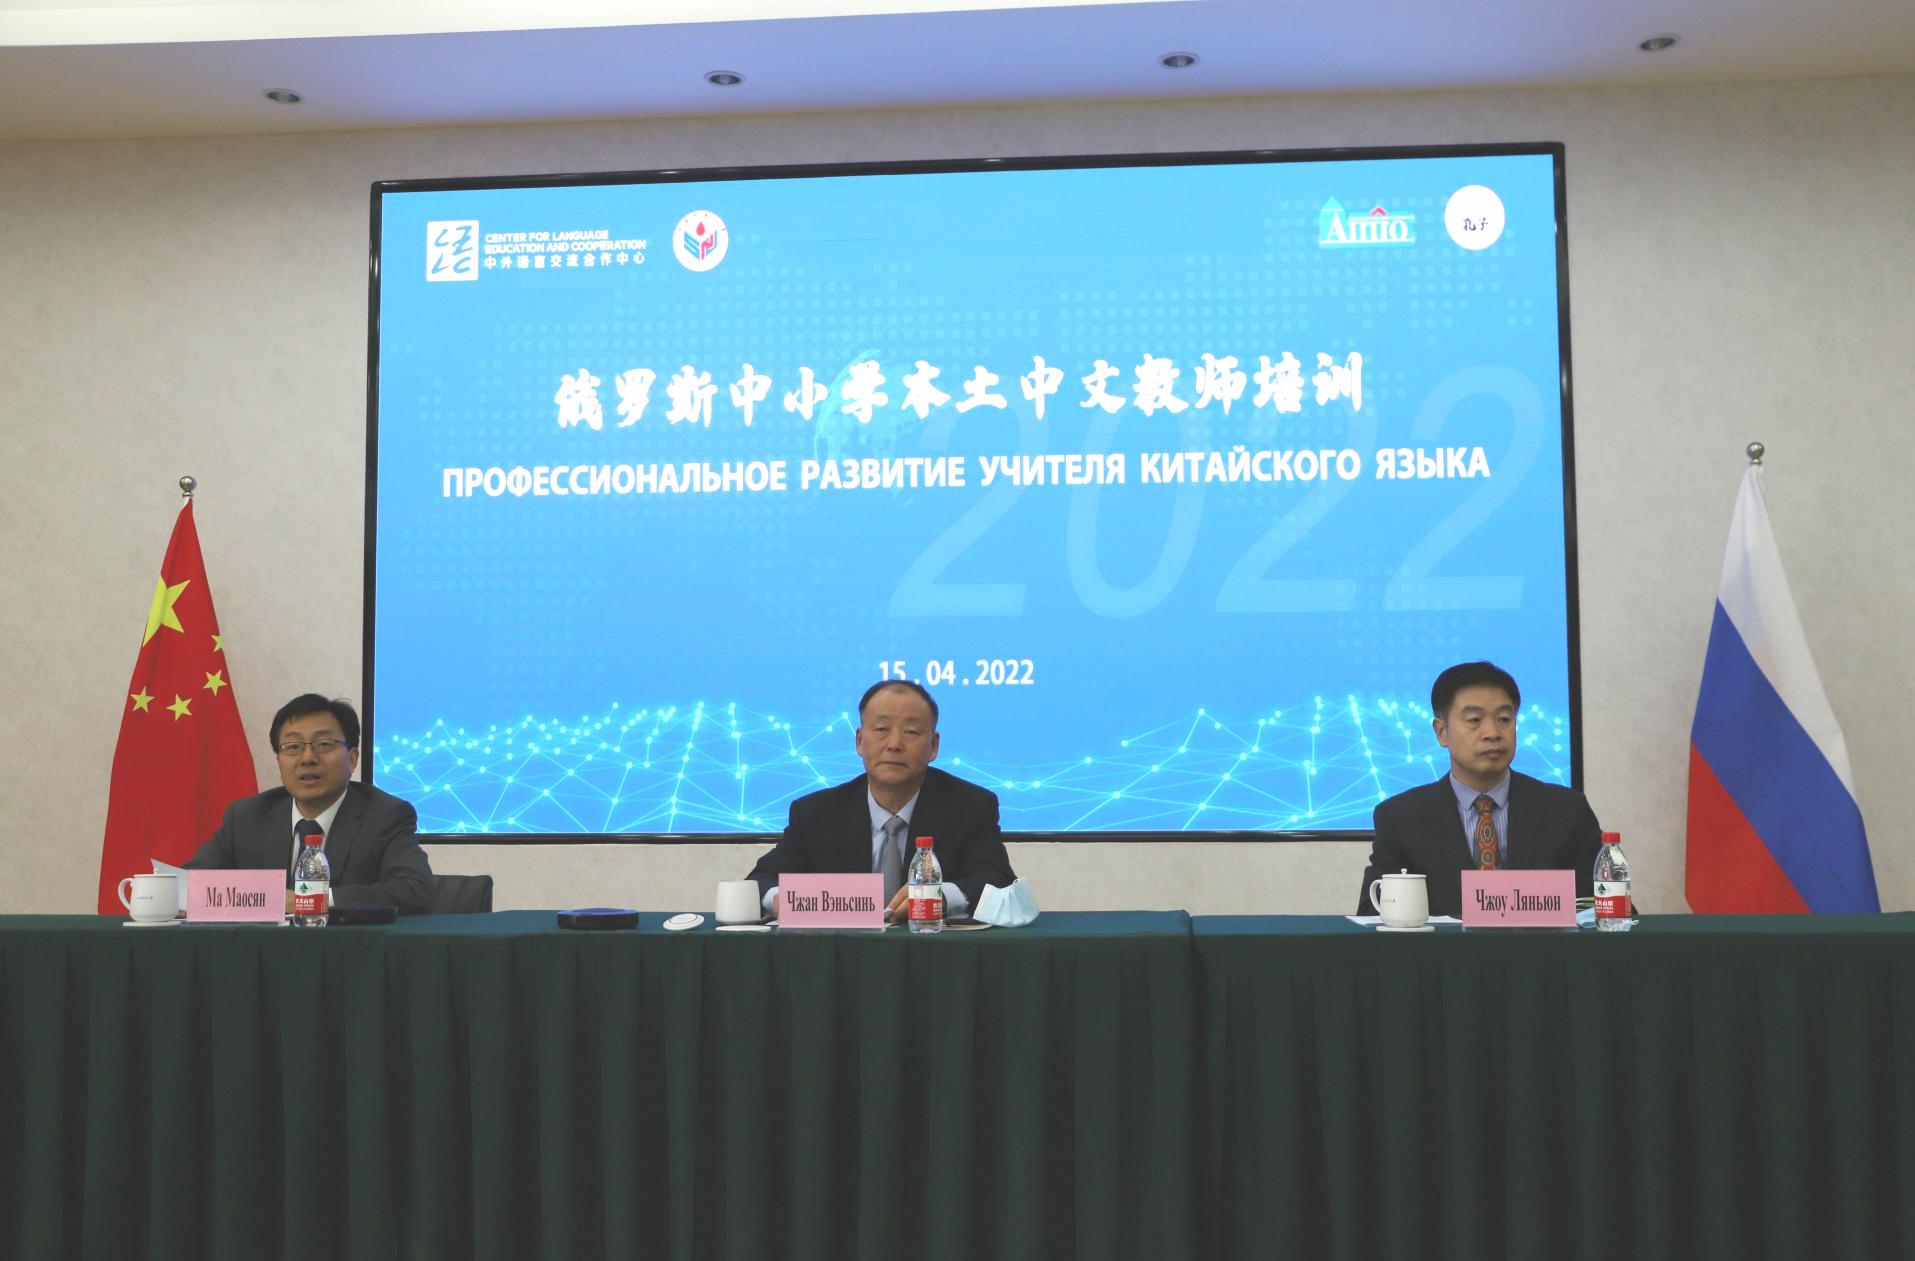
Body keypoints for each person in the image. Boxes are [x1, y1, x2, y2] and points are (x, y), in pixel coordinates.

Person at [748, 679, 1016, 921]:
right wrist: (780, 899)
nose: (894, 744)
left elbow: (998, 882)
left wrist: (939, 897)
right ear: (859, 741)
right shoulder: (816, 813)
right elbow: (760, 881)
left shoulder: (970, 806)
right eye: (881, 729)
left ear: (933, 746)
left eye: (911, 731)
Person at [1357, 661, 1602, 918]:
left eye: (1504, 719)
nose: (1492, 733)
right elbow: (1372, 914)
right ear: (1441, 732)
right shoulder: (1401, 818)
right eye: (1474, 720)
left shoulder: (1566, 811)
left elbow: (1608, 908)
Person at [187, 694, 434, 914]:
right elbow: (189, 884)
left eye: (324, 744)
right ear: (279, 760)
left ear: (352, 759)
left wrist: (310, 901)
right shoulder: (247, 816)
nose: (307, 758)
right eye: (293, 747)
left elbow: (415, 890)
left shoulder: (384, 816)